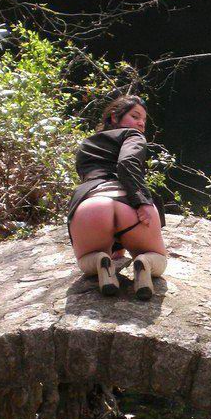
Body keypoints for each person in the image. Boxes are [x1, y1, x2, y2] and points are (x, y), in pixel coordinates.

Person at [67, 95, 167, 299]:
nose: (141, 123)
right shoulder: (132, 135)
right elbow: (127, 163)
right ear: (114, 117)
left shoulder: (87, 144)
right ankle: (144, 263)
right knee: (158, 259)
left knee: (87, 259)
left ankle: (100, 261)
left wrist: (116, 244)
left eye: (144, 120)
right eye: (135, 116)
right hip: (128, 205)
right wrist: (142, 202)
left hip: (93, 204)